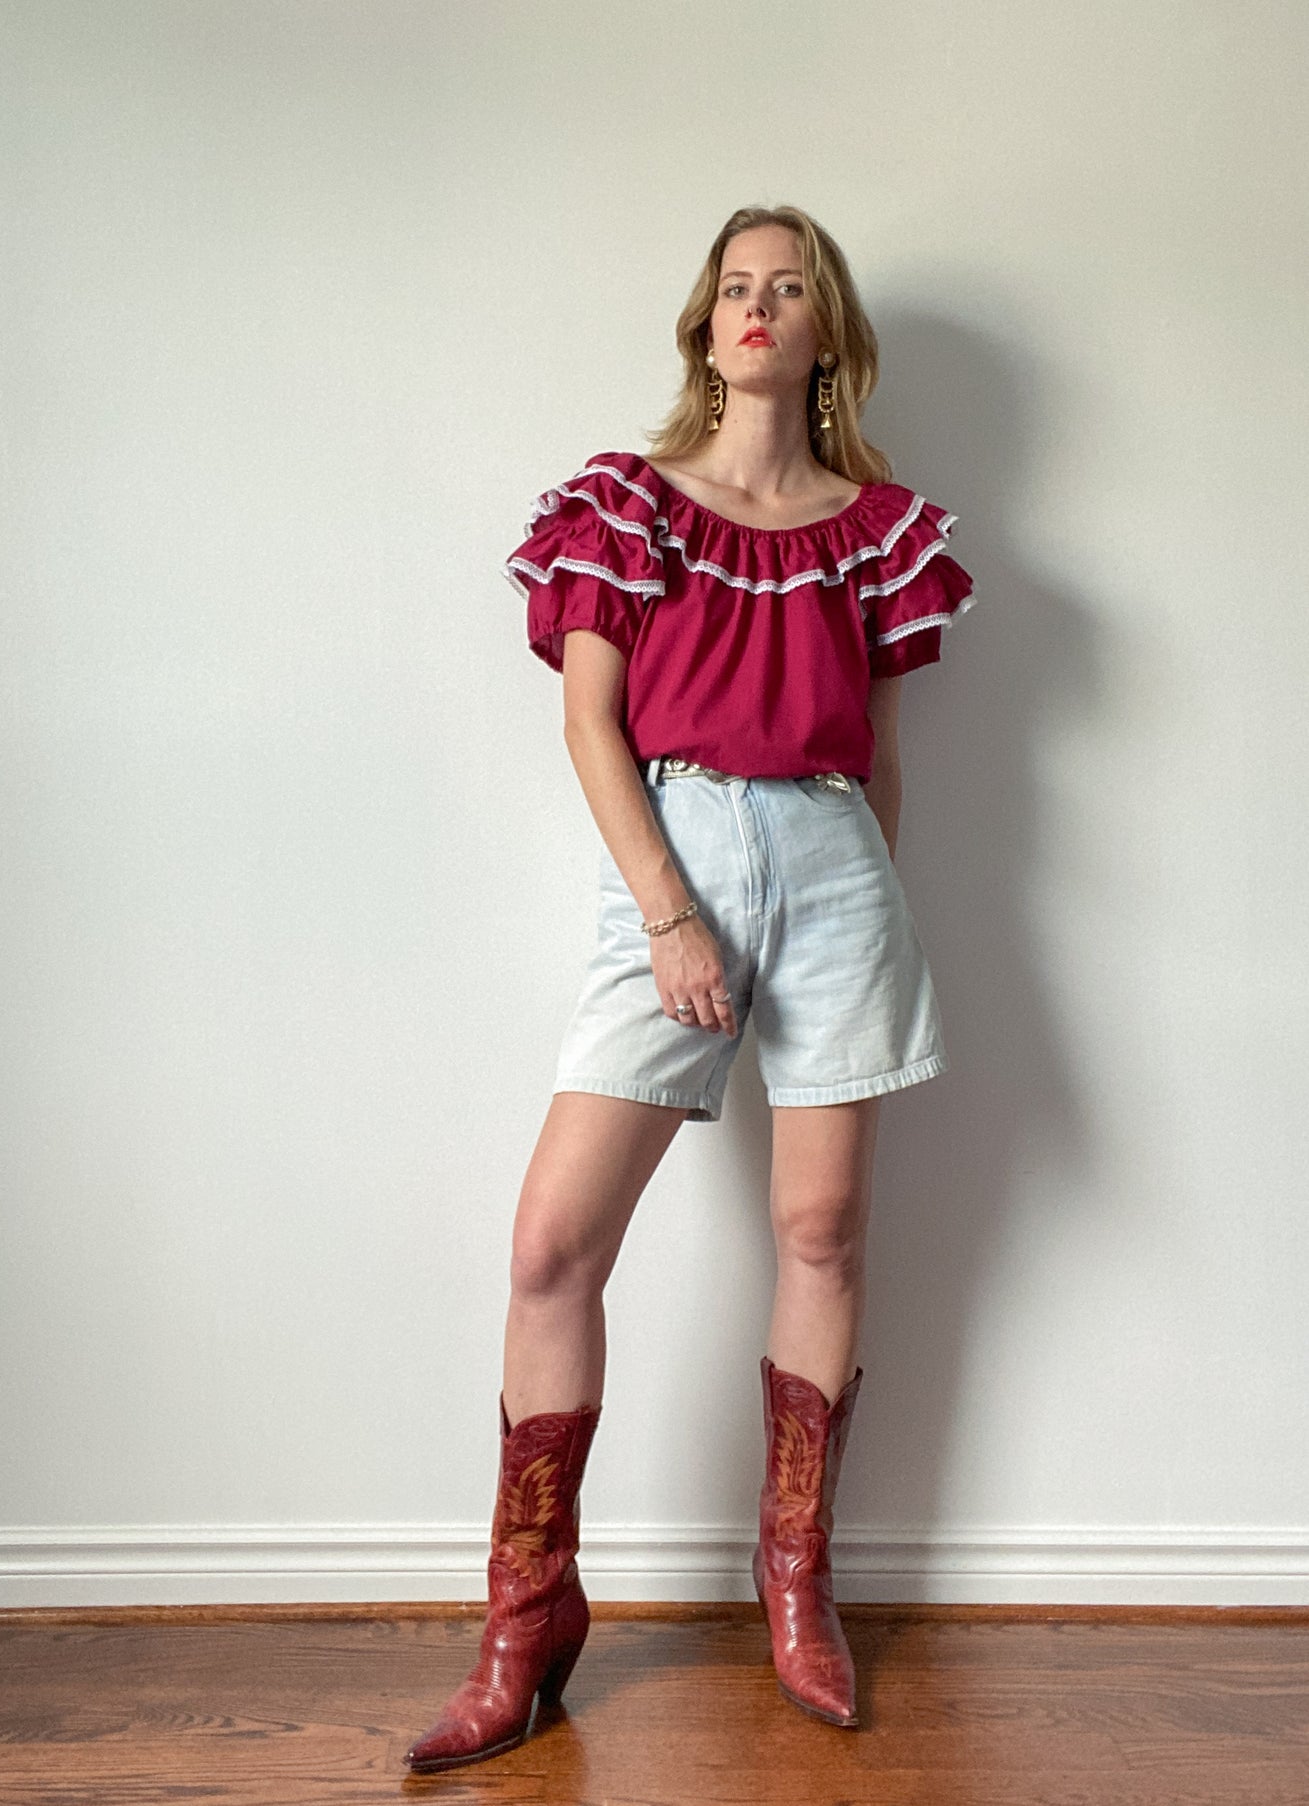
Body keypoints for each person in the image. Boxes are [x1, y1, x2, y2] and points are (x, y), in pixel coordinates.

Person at [403, 203, 976, 1773]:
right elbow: (591, 725)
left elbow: (881, 755)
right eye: (735, 284)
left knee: (818, 1228)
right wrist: (671, 912)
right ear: (701, 322)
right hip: (682, 848)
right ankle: (526, 1620)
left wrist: (863, 905)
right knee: (550, 1244)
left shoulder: (876, 532)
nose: (757, 306)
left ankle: (793, 1580)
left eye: (788, 287)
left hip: (837, 863)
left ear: (822, 333)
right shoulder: (627, 504)